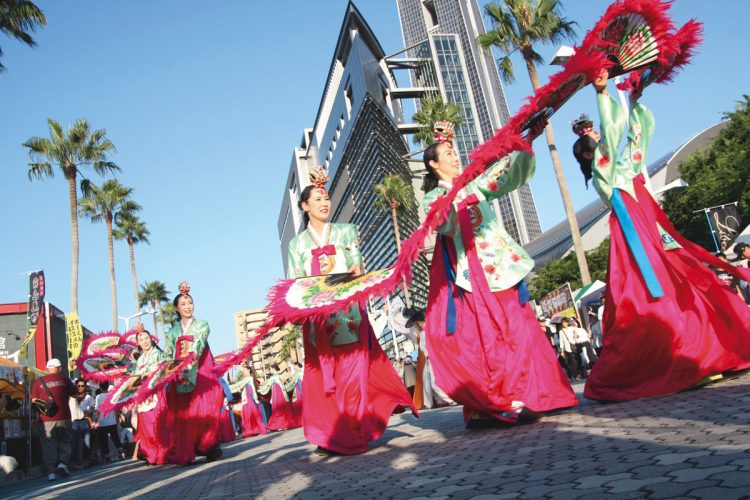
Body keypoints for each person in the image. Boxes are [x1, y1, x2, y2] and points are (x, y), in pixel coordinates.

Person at [572, 69, 750, 401]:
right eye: (592, 140)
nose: (598, 137)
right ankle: (684, 361)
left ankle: (712, 349)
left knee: (691, 283)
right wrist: (601, 93)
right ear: (586, 153)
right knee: (657, 297)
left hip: (651, 224)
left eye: (597, 134)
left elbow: (637, 141)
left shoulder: (622, 164)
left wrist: (636, 102)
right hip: (633, 232)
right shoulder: (602, 168)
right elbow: (613, 137)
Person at [421, 121, 577, 426]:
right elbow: (443, 223)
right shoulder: (431, 199)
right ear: (433, 164)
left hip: (500, 268)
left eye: (455, 152)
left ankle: (539, 394)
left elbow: (504, 173)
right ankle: (496, 401)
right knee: (486, 340)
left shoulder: (475, 182)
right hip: (470, 277)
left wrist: (526, 141)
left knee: (521, 331)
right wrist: (458, 198)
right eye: (447, 153)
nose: (455, 157)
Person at [286, 166, 415, 454]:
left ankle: (355, 428)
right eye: (317, 198)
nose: (324, 202)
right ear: (305, 206)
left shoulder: (346, 231)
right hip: (317, 319)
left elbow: (357, 267)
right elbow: (296, 281)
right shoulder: (297, 244)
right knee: (323, 377)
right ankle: (330, 432)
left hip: (348, 312)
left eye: (326, 196)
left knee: (354, 370)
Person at [164, 282, 224, 463]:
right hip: (180, 375)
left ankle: (208, 444)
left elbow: (199, 342)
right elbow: (168, 353)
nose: (187, 306)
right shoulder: (173, 331)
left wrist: (190, 359)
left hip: (201, 371)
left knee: (205, 407)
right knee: (185, 413)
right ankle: (188, 448)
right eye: (183, 304)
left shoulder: (202, 324)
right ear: (176, 308)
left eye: (189, 302)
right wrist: (168, 370)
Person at [130, 324, 170, 465]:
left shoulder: (159, 354)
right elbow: (135, 376)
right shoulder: (139, 360)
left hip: (158, 392)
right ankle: (152, 454)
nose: (145, 341)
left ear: (151, 339)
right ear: (138, 343)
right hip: (144, 396)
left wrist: (151, 373)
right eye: (142, 340)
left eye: (147, 338)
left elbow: (166, 368)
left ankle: (164, 453)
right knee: (147, 426)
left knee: (160, 423)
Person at [32, 358, 75, 481]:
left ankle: (51, 472)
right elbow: (75, 393)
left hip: (45, 419)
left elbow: (34, 401)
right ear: (59, 368)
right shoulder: (64, 380)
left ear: (47, 368)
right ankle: (62, 463)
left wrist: (34, 417)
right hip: (64, 417)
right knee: (65, 441)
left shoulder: (38, 382)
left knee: (48, 444)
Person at [231, 361, 268, 438]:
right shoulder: (247, 378)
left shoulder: (249, 378)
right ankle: (252, 430)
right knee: (248, 414)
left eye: (244, 370)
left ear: (248, 370)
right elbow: (241, 386)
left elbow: (239, 385)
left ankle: (257, 429)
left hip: (250, 398)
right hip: (246, 398)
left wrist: (229, 388)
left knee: (252, 413)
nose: (243, 371)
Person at [94, 381, 124, 462]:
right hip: (112, 420)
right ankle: (121, 452)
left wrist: (97, 419)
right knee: (115, 437)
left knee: (104, 439)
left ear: (100, 387)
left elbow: (97, 410)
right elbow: (115, 408)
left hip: (103, 422)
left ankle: (107, 456)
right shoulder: (112, 396)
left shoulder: (98, 397)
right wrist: (116, 418)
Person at [260, 367, 297, 431]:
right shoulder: (279, 375)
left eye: (270, 369)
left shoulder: (273, 377)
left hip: (277, 394)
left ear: (273, 369)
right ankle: (286, 424)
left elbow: (267, 386)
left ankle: (280, 425)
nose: (270, 370)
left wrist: (260, 390)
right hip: (282, 393)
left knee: (278, 410)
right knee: (284, 409)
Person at [68, 378, 94, 469]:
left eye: (82, 386)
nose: (80, 388)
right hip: (74, 421)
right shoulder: (71, 396)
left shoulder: (88, 397)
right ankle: (74, 462)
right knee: (74, 443)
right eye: (78, 386)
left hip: (84, 419)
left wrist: (89, 412)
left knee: (86, 442)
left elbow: (93, 408)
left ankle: (87, 460)